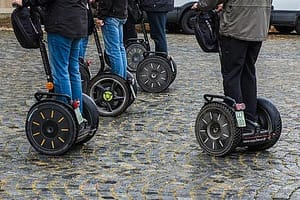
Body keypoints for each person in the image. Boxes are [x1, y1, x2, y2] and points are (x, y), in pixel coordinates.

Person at [193, 0, 272, 134]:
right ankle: (250, 119)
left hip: (236, 28)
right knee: (248, 73)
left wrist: (200, 5)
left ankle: (238, 121)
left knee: (232, 75)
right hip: (258, 27)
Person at [12, 0, 88, 114]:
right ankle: (78, 113)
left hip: (61, 24)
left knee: (61, 71)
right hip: (79, 22)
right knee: (73, 70)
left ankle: (66, 112)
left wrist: (24, 1)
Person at [95, 0, 128, 79]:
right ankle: (123, 78)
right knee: (120, 48)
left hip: (111, 15)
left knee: (114, 50)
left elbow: (107, 2)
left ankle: (118, 79)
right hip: (121, 12)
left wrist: (101, 16)